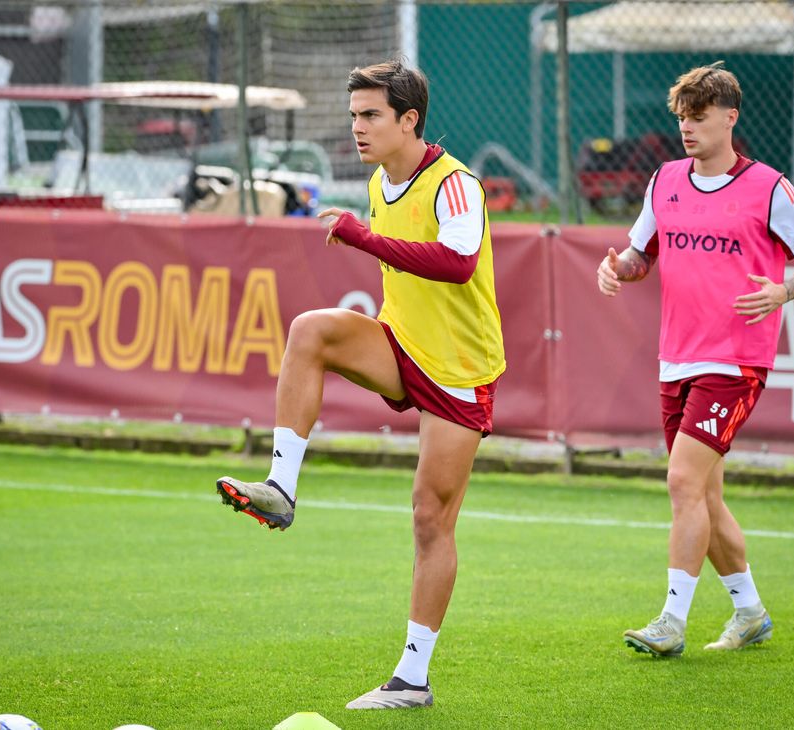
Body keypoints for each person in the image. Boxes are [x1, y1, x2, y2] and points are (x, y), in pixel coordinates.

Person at [215, 58, 505, 708]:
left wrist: (365, 239)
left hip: (460, 368)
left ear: (409, 119)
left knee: (430, 519)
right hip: (401, 344)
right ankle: (281, 488)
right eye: (354, 115)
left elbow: (459, 264)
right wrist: (368, 235)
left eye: (371, 114)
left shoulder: (457, 184)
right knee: (310, 331)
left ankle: (412, 679)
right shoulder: (379, 181)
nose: (357, 127)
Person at [596, 62, 794, 657]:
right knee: (704, 494)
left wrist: (782, 291)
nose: (686, 128)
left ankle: (671, 622)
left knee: (681, 480)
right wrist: (617, 268)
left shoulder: (769, 187)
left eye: (698, 117)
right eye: (681, 117)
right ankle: (750, 613)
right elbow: (640, 255)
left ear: (730, 117)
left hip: (736, 360)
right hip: (676, 357)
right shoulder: (664, 180)